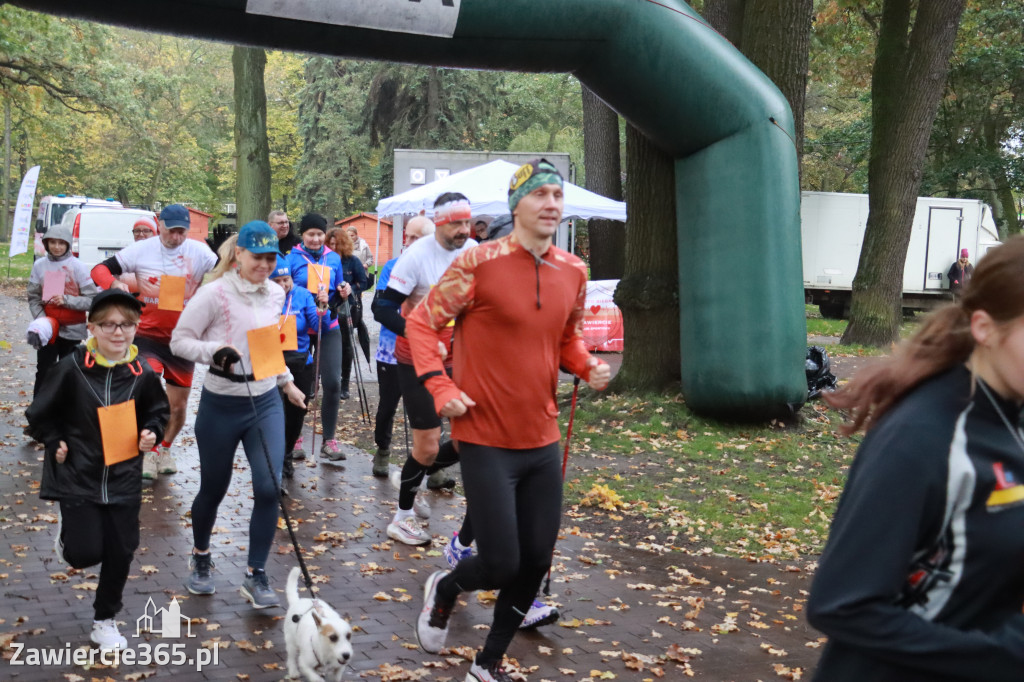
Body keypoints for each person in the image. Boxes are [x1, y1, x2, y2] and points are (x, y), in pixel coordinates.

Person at [408, 159, 611, 681]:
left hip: (540, 437)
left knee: (537, 559)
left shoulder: (574, 270)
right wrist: (440, 384)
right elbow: (422, 323)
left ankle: (487, 662)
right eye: (540, 194)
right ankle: (447, 588)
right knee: (499, 562)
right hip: (486, 436)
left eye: (557, 196)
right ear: (517, 203)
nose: (551, 204)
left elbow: (566, 336)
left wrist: (585, 364)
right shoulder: (479, 262)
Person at [806, 236, 1024, 681]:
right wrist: (1003, 659)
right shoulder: (921, 437)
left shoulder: (1010, 412)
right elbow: (841, 605)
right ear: (984, 328)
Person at [171, 221, 307, 609]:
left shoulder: (274, 296)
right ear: (238, 255)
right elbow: (179, 341)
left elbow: (267, 346)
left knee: (268, 487)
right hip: (221, 404)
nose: (264, 265)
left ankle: (255, 573)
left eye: (270, 258)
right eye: (257, 257)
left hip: (263, 401)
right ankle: (200, 557)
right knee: (214, 488)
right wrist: (214, 350)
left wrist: (286, 382)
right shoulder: (213, 294)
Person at [28, 288, 169, 651]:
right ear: (91, 327)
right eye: (108, 325)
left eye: (127, 325)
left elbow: (158, 412)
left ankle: (104, 620)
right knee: (85, 553)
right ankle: (68, 542)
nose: (118, 332)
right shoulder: (70, 369)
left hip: (124, 477)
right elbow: (39, 413)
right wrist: (54, 439)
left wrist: (152, 431)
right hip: (79, 475)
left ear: (137, 328)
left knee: (122, 549)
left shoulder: (143, 374)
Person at [374, 192, 478, 545]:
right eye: (457, 224)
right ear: (440, 223)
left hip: (460, 357)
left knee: (470, 439)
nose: (465, 229)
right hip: (416, 357)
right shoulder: (416, 257)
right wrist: (419, 335)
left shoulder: (474, 252)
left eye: (468, 222)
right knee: (428, 446)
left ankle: (414, 473)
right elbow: (382, 308)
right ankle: (401, 518)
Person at [91, 203, 218, 480]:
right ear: (159, 225)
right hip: (146, 336)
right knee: (148, 387)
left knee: (178, 405)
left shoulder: (199, 252)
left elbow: (226, 273)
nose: (176, 237)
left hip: (183, 339)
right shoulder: (141, 250)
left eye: (181, 231)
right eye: (171, 230)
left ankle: (163, 448)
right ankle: (145, 450)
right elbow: (99, 270)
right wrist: (115, 285)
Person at [369, 216, 434, 477]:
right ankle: (382, 451)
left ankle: (430, 464)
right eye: (408, 236)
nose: (410, 242)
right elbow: (380, 307)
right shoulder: (393, 266)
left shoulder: (439, 268)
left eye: (417, 238)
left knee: (427, 409)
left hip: (428, 352)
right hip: (392, 349)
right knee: (388, 405)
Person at [286, 213, 351, 460]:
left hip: (328, 324)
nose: (315, 239)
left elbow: (338, 287)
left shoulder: (333, 257)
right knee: (300, 383)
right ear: (302, 235)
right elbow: (283, 287)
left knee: (333, 382)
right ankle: (295, 437)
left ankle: (329, 441)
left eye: (319, 234)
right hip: (301, 327)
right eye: (310, 234)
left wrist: (344, 291)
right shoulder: (291, 258)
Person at [27, 218, 98, 396]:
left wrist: (67, 300)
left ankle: (66, 417)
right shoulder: (39, 266)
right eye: (53, 242)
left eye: (61, 243)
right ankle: (39, 417)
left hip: (72, 329)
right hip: (47, 330)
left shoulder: (79, 267)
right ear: (46, 243)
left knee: (68, 373)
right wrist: (42, 319)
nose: (57, 247)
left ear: (67, 244)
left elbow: (92, 300)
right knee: (44, 371)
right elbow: (33, 296)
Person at [270, 256, 322, 476]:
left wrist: (323, 307)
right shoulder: (263, 298)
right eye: (278, 281)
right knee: (276, 415)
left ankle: (288, 454)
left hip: (300, 362)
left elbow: (320, 325)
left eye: (286, 279)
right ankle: (276, 461)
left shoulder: (301, 295)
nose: (283, 285)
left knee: (296, 415)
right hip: (272, 362)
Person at [327, 226, 370, 392]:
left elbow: (364, 282)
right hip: (328, 307)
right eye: (330, 244)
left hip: (348, 308)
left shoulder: (352, 260)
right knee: (326, 344)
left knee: (346, 344)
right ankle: (323, 381)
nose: (333, 247)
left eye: (337, 244)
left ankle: (344, 383)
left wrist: (351, 288)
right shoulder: (323, 260)